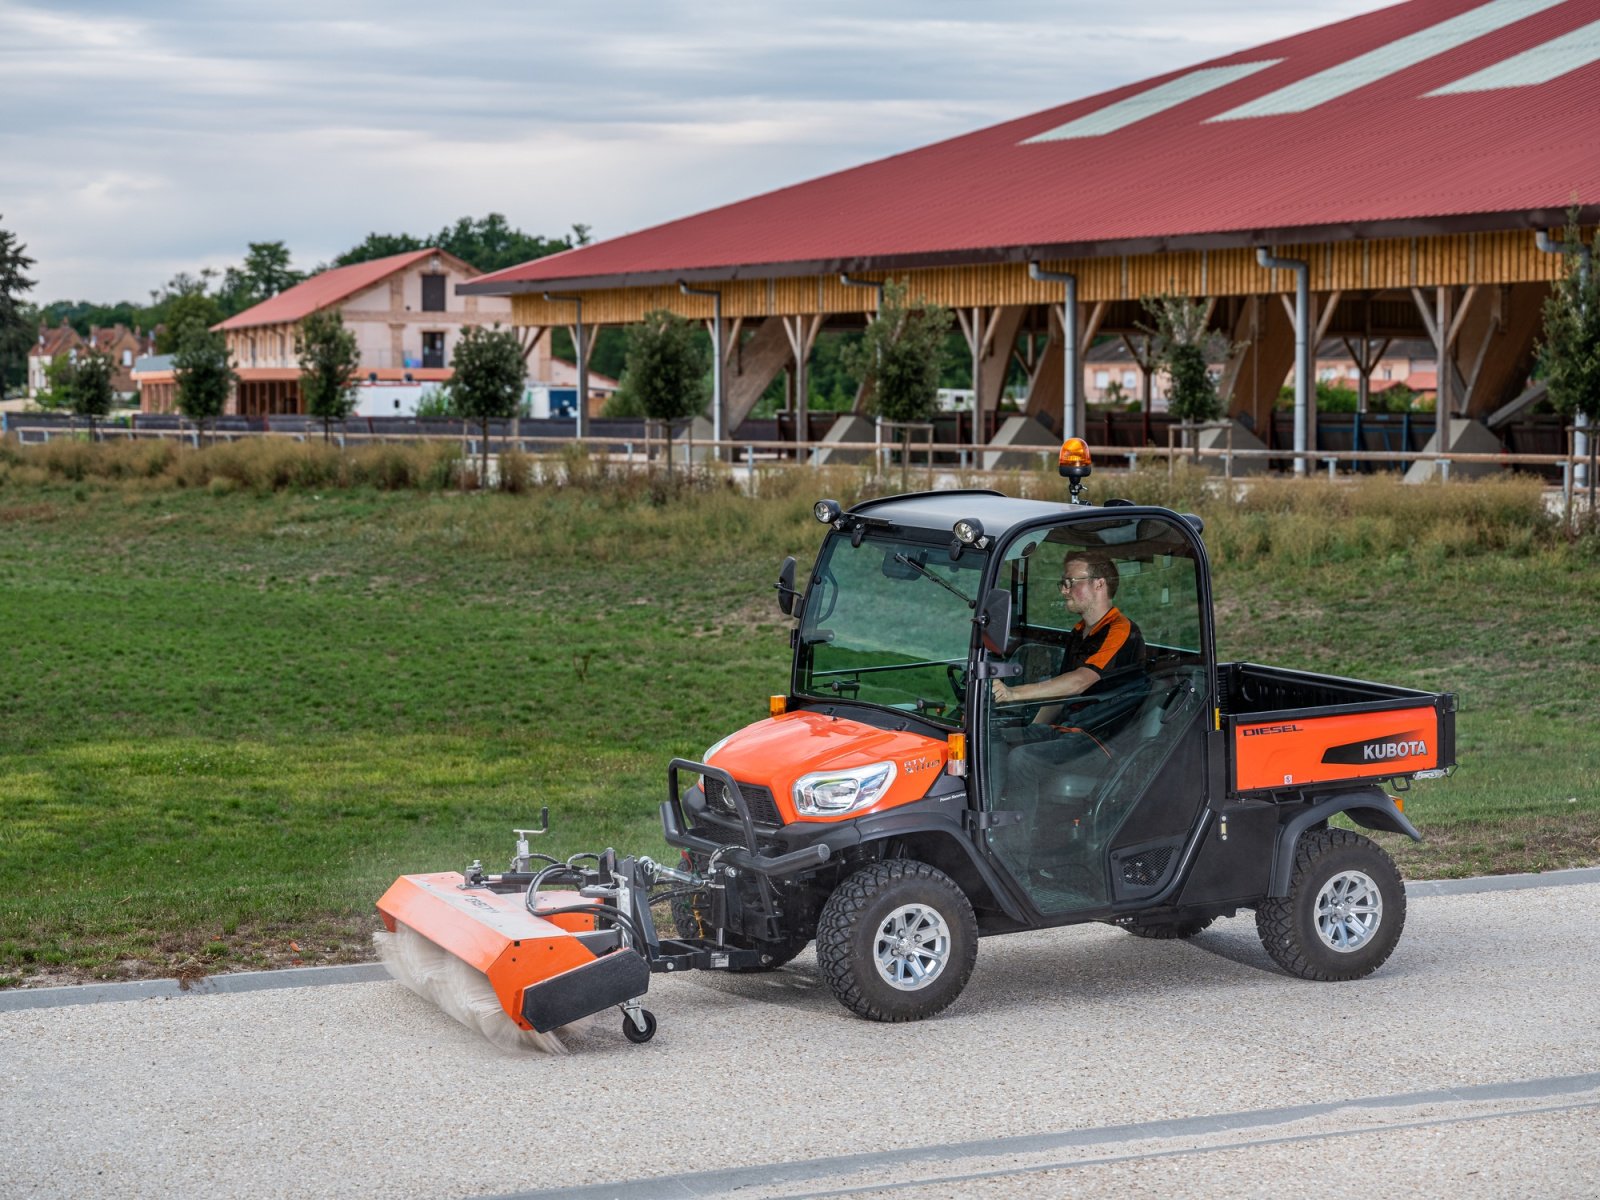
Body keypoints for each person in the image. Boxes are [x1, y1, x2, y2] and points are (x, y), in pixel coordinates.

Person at [990, 550, 1145, 876]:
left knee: (1024, 761)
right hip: (1069, 731)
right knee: (992, 740)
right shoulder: (1079, 632)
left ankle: (1012, 868)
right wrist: (1026, 731)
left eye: (1070, 582)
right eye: (1063, 583)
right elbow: (1061, 692)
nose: (1063, 590)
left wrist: (1014, 693)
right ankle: (990, 835)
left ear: (1099, 584)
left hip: (1102, 739)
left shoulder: (1121, 630)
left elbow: (1079, 682)